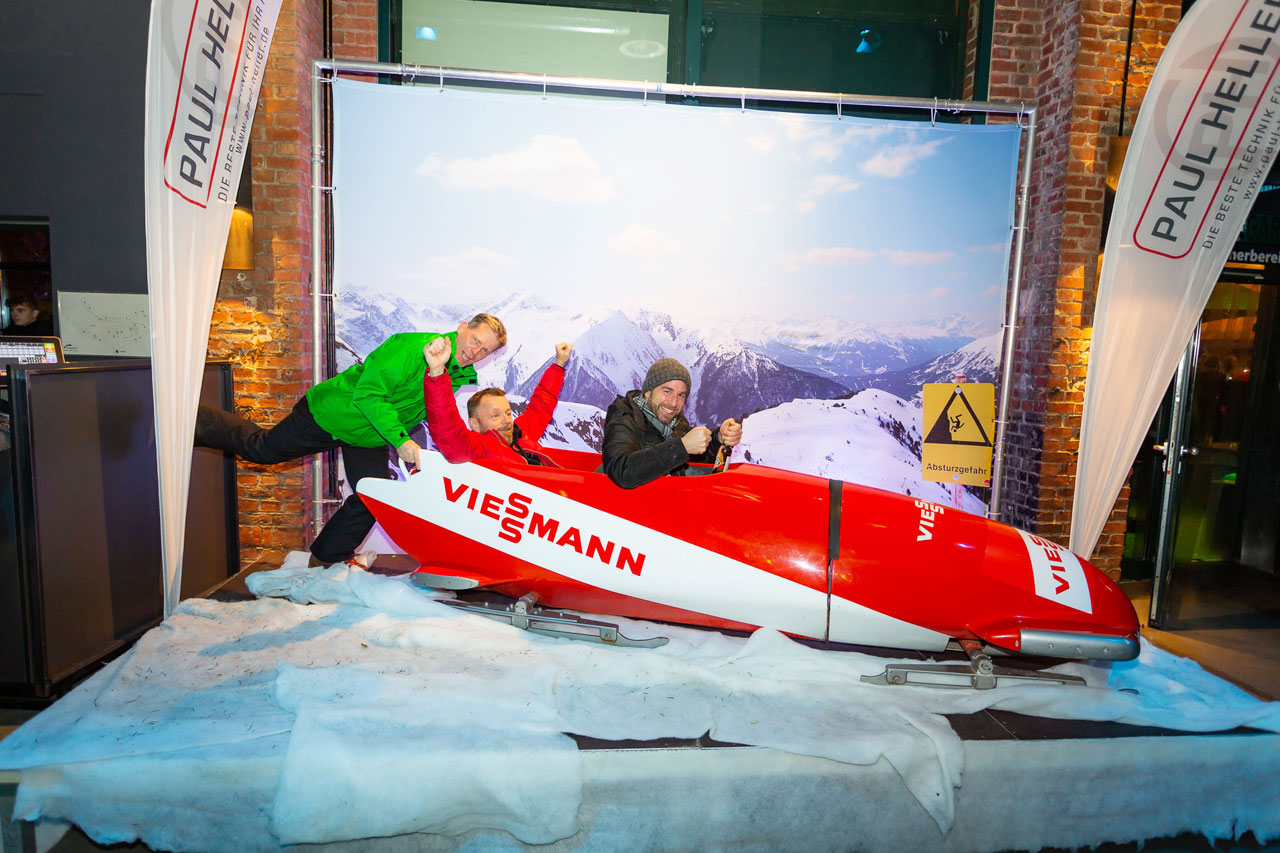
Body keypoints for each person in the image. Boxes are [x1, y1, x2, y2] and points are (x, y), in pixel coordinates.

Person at [195, 314, 506, 565]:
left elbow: (431, 413)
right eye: (475, 340)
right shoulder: (414, 348)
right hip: (333, 414)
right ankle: (196, 420)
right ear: (462, 327)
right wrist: (401, 441)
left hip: (368, 434)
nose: (475, 352)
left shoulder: (453, 372)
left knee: (374, 496)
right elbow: (369, 394)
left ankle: (327, 558)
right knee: (262, 450)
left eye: (485, 350)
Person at [423, 337, 572, 465]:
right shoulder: (476, 448)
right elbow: (447, 429)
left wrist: (559, 364)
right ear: (475, 424)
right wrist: (437, 372)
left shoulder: (519, 433)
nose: (506, 421)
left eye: (508, 413)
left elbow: (541, 407)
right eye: (495, 416)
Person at [602, 357, 743, 489]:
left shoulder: (676, 424)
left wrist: (719, 437)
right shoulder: (624, 417)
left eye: (681, 395)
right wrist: (682, 446)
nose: (674, 403)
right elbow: (621, 470)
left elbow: (697, 461)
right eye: (667, 391)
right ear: (648, 393)